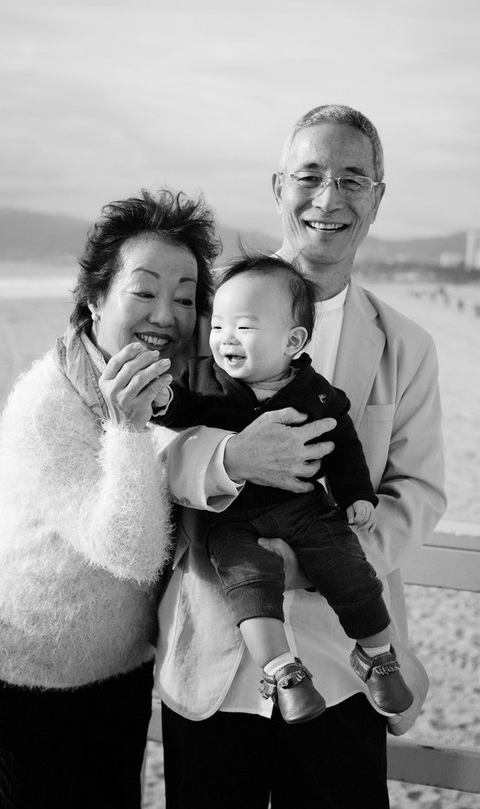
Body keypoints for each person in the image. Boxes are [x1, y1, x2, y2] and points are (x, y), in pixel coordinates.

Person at [155, 104, 447, 809]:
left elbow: (419, 489)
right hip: (214, 655)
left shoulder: (406, 344)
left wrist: (323, 556)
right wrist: (231, 455)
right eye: (310, 176)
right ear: (278, 185)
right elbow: (156, 443)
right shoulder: (214, 315)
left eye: (353, 178)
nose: (329, 197)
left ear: (379, 196)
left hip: (342, 661)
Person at [0, 188, 223, 809]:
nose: (168, 313)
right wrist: (128, 428)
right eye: (144, 290)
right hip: (37, 656)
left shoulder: (165, 381)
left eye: (186, 297)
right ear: (94, 296)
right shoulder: (47, 401)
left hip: (121, 654)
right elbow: (133, 553)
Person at [153, 254, 413, 723]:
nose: (224, 339)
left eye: (244, 329)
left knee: (349, 567)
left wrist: (357, 495)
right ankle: (282, 669)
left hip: (305, 512)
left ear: (293, 341)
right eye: (218, 327)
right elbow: (174, 421)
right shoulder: (202, 378)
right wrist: (167, 400)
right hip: (229, 522)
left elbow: (344, 444)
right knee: (250, 583)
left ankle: (376, 654)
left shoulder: (316, 392)